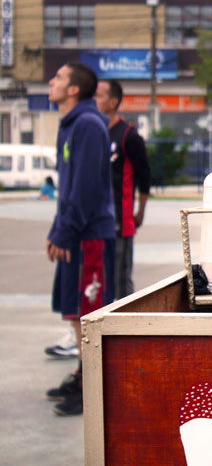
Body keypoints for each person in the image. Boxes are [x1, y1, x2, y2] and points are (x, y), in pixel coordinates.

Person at [43, 62, 116, 417]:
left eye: (58, 78)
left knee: (90, 312)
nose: (51, 82)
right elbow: (68, 188)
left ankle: (94, 386)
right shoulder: (73, 124)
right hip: (76, 231)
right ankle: (83, 374)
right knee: (75, 308)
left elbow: (85, 188)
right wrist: (59, 228)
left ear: (74, 89)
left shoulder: (87, 125)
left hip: (90, 235)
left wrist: (66, 229)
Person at [94, 79, 152, 302]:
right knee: (97, 279)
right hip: (95, 222)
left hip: (120, 220)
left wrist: (140, 210)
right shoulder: (94, 133)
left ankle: (123, 328)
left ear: (113, 102)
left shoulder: (128, 136)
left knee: (120, 280)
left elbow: (144, 175)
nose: (95, 100)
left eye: (99, 95)